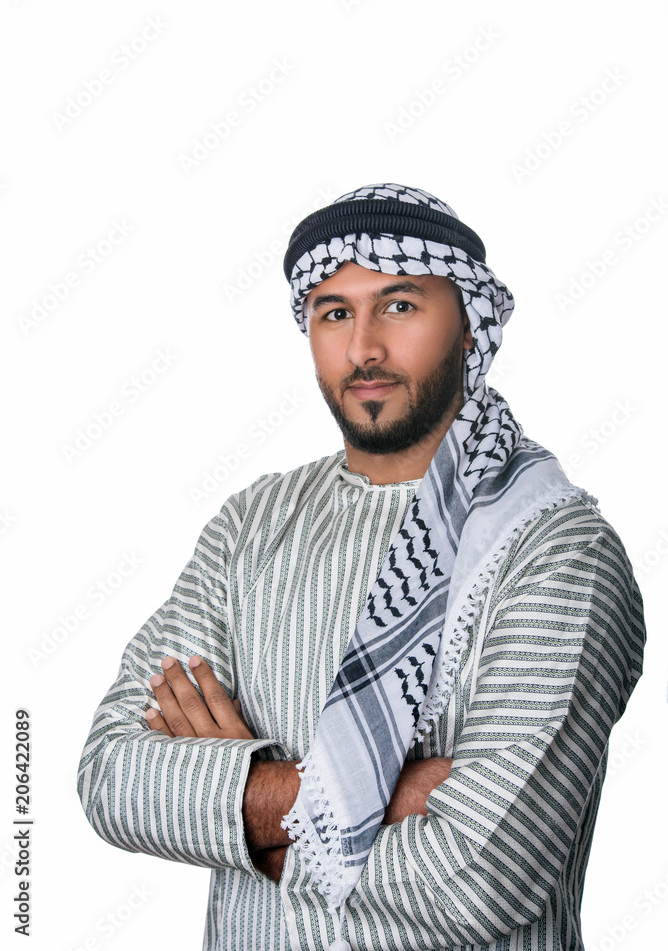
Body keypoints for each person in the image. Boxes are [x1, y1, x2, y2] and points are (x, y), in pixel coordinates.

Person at [77, 182, 645, 951]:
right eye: (335, 312)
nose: (364, 348)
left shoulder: (557, 549)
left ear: (470, 325)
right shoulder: (252, 525)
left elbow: (477, 878)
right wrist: (376, 795)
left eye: (400, 305)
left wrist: (239, 813)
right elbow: (113, 775)